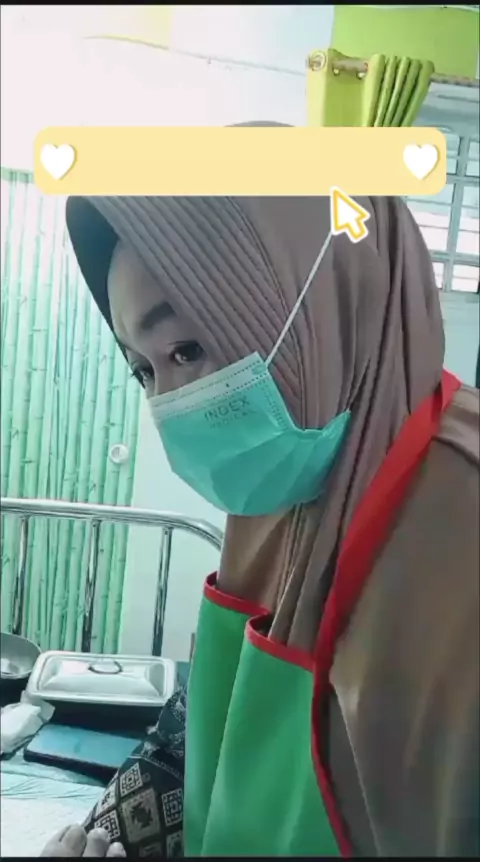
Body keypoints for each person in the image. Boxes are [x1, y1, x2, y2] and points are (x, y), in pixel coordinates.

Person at [41, 187, 479, 857]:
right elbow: (201, 735)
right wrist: (100, 837)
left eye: (187, 349)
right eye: (143, 370)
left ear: (328, 304)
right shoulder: (285, 478)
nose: (172, 404)